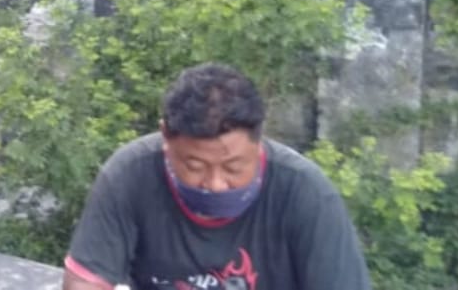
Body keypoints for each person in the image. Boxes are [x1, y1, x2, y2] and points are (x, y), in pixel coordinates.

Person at [62, 63, 372, 290]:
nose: (215, 185)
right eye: (194, 167)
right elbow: (85, 281)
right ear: (166, 138)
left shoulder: (307, 194)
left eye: (234, 168)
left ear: (259, 141)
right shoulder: (130, 174)